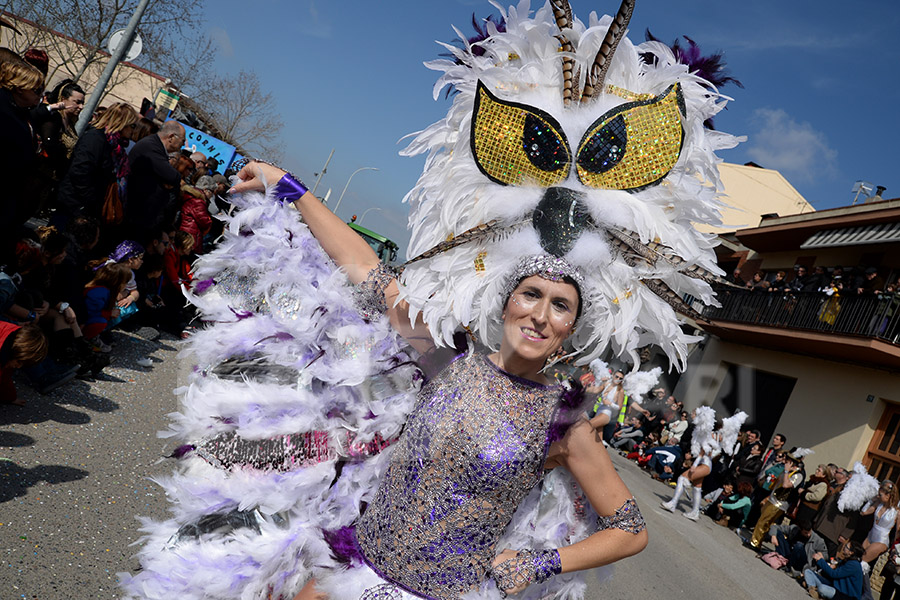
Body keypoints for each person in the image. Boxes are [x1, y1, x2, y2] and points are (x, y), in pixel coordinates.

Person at [226, 159, 649, 600]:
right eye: (531, 294)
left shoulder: (563, 422)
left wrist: (537, 563)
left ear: (571, 328)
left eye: (560, 306)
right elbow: (363, 266)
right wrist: (286, 185)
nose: (540, 316)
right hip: (352, 572)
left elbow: (630, 530)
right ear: (506, 303)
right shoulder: (447, 358)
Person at [55, 102, 139, 229]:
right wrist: (90, 202)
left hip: (89, 207)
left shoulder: (115, 146)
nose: (134, 130)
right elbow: (79, 171)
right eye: (132, 126)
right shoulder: (96, 139)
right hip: (75, 204)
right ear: (122, 123)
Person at [0, 56, 44, 262]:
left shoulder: (23, 113)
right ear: (19, 88)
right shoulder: (4, 110)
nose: (40, 96)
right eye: (36, 91)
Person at [124, 120, 184, 244]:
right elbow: (173, 177)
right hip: (135, 213)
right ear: (172, 137)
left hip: (145, 215)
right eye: (183, 140)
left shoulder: (157, 148)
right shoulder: (151, 146)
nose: (182, 145)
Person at [750, 451, 804, 549]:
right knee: (764, 521)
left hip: (779, 503)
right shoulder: (785, 470)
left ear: (792, 462)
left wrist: (787, 471)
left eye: (787, 460)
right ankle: (758, 540)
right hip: (772, 498)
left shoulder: (798, 475)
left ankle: (755, 543)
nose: (785, 461)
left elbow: (786, 485)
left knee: (764, 521)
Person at [0, 323, 49, 406]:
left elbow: (5, 376)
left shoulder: (13, 341)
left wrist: (10, 397)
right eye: (19, 362)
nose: (19, 366)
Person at [860, 480, 899, 565]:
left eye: (880, 495)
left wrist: (893, 548)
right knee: (858, 559)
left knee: (862, 561)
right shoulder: (879, 504)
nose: (878, 496)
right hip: (870, 535)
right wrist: (871, 500)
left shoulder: (897, 511)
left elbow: (898, 531)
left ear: (888, 496)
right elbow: (864, 512)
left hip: (881, 540)